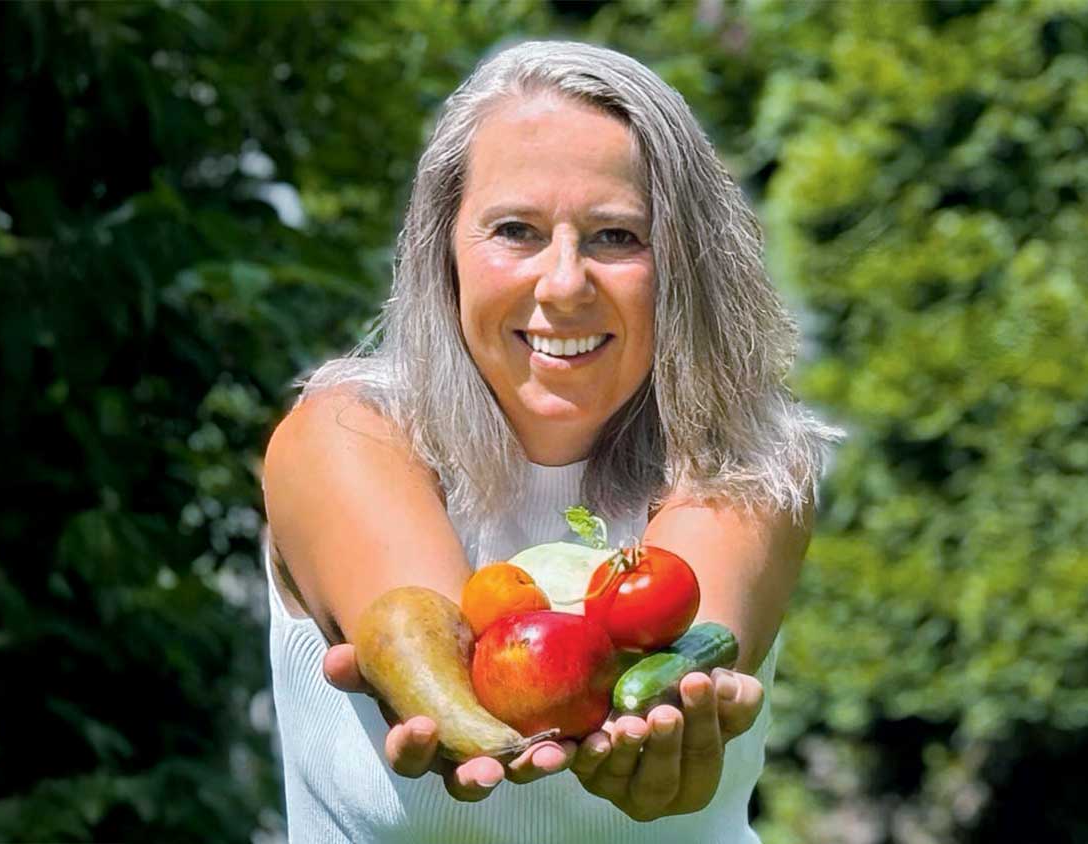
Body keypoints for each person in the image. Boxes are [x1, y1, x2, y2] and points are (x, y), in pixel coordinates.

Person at [259, 39, 837, 842]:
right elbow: (454, 674)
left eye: (616, 237)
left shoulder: (750, 465)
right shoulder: (345, 436)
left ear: (687, 264)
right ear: (446, 253)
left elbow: (667, 662)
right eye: (516, 230)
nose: (564, 284)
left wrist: (657, 715)